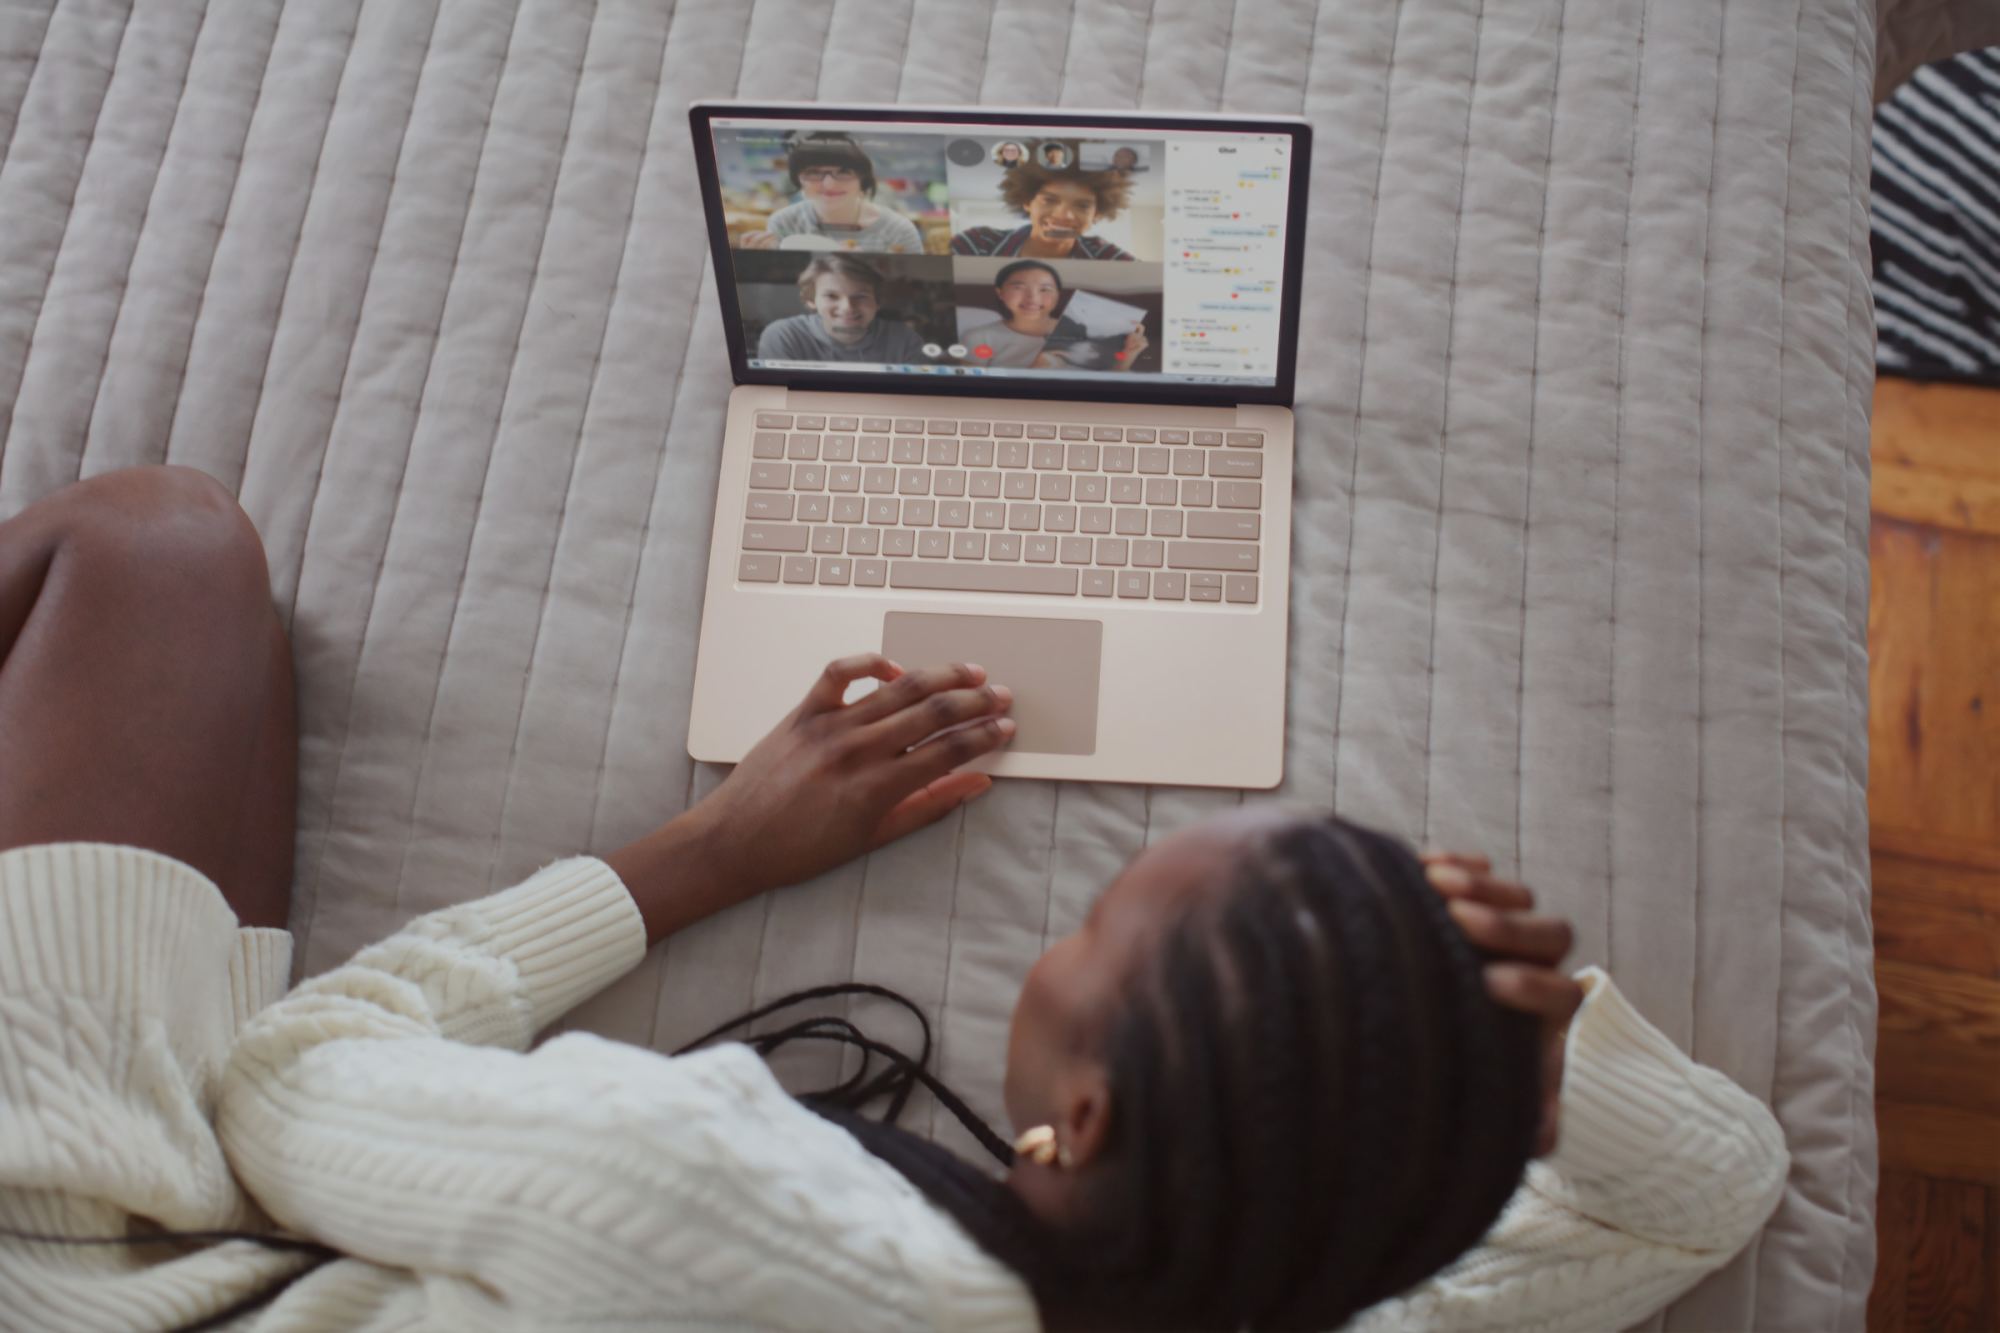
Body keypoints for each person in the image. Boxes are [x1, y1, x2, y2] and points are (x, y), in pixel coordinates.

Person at [0, 468, 1790, 1331]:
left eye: (1098, 925)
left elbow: (286, 1088)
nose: (1065, 917)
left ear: (1078, 1115)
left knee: (159, 546)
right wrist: (1496, 1083)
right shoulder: (1284, 1280)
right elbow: (1710, 1183)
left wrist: (711, 854)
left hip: (100, 1277)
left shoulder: (694, 1187)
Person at [737, 131, 925, 255]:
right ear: (798, 180)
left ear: (862, 179)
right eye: (813, 172)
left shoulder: (898, 231)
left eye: (844, 172)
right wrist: (753, 259)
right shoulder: (784, 223)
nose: (829, 184)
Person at [961, 259, 1149, 371]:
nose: (1032, 298)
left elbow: (1108, 381)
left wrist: (1128, 355)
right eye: (1018, 287)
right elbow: (969, 393)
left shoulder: (1084, 329)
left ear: (1058, 296)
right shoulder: (979, 337)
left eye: (1045, 289)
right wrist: (1035, 373)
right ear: (1000, 293)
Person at [756, 254, 929, 365]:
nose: (847, 308)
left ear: (878, 301)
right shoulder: (782, 335)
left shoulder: (906, 340)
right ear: (810, 300)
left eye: (860, 296)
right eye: (831, 296)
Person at [951, 161, 1139, 260]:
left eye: (1082, 205)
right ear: (1027, 202)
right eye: (1049, 200)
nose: (1064, 215)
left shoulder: (1105, 256)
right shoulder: (979, 243)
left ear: (1096, 214)